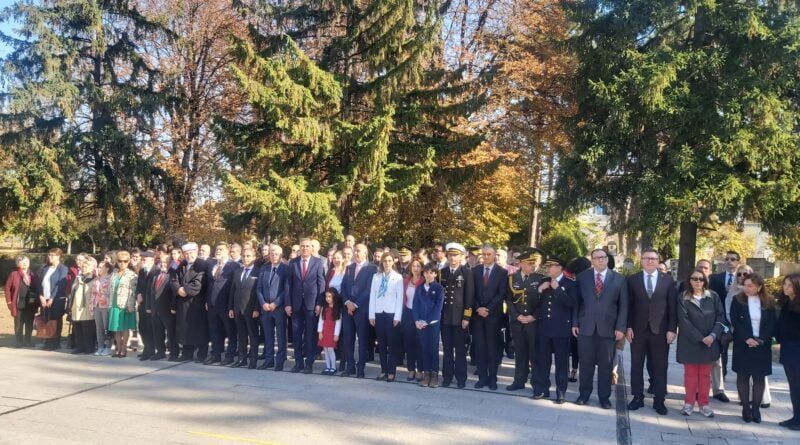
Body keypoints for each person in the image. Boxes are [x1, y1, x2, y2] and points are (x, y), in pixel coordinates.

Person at [573, 248, 628, 409]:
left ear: (607, 259)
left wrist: (621, 328)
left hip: (609, 329)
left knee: (606, 365)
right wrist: (575, 323)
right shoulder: (582, 277)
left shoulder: (619, 279)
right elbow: (577, 302)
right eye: (597, 257)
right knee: (585, 364)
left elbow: (624, 306)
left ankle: (604, 397)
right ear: (592, 260)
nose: (600, 260)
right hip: (586, 327)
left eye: (603, 257)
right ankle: (584, 395)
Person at [626, 248, 677, 415]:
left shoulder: (667, 280)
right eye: (646, 258)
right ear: (641, 260)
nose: (649, 261)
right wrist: (628, 327)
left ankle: (659, 400)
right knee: (636, 365)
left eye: (653, 259)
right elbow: (628, 306)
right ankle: (637, 397)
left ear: (657, 261)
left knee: (660, 366)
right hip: (637, 330)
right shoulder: (632, 280)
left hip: (660, 331)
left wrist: (672, 329)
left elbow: (672, 307)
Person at [677, 268, 724, 418]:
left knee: (705, 375)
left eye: (701, 279)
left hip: (710, 342)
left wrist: (713, 335)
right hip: (690, 342)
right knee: (690, 375)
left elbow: (721, 317)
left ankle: (704, 404)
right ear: (689, 281)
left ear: (705, 281)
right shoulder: (683, 297)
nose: (698, 281)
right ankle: (689, 403)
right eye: (694, 278)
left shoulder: (713, 296)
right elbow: (684, 321)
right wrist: (700, 338)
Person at [730, 273, 776, 423]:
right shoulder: (737, 300)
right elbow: (735, 321)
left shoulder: (768, 302)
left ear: (759, 287)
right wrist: (747, 338)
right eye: (745, 285)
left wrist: (761, 339)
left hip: (761, 344)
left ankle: (756, 409)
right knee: (743, 376)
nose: (746, 288)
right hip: (743, 343)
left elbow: (772, 323)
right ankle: (745, 408)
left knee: (759, 377)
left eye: (750, 286)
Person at [533, 256, 578, 403]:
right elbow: (534, 303)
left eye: (551, 266)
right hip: (544, 327)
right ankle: (542, 389)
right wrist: (540, 290)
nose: (548, 268)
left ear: (560, 268)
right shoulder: (543, 281)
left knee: (561, 362)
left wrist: (557, 289)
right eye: (547, 266)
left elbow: (571, 303)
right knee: (543, 360)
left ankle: (561, 392)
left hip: (561, 328)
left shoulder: (570, 283)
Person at [506, 250, 545, 392]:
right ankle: (519, 381)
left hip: (533, 322)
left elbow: (543, 302)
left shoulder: (540, 279)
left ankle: (537, 384)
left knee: (534, 354)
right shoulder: (512, 278)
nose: (532, 266)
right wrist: (516, 316)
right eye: (529, 263)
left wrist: (533, 316)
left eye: (534, 263)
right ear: (521, 263)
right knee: (520, 353)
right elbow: (508, 300)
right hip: (517, 321)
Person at [472, 244, 508, 390]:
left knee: (493, 349)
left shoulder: (502, 272)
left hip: (493, 316)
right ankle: (482, 377)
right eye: (484, 254)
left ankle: (492, 378)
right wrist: (478, 308)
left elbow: (501, 294)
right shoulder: (475, 271)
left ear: (494, 255)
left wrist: (488, 309)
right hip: (478, 316)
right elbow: (471, 292)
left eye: (489, 254)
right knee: (480, 348)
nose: (486, 257)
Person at [288, 238, 326, 374]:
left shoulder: (318, 262)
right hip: (296, 304)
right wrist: (288, 304)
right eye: (302, 246)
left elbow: (321, 284)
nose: (305, 248)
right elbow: (289, 284)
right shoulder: (293, 262)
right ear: (300, 247)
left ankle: (309, 363)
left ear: (311, 248)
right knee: (296, 335)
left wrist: (319, 303)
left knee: (310, 335)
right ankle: (298, 363)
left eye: (307, 246)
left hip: (312, 304)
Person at [439, 243, 474, 388]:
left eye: (455, 255)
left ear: (461, 257)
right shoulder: (442, 272)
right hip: (445, 316)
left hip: (460, 318)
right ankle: (447, 376)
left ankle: (461, 378)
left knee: (460, 350)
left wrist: (466, 317)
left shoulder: (466, 272)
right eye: (450, 255)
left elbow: (469, 297)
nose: (453, 258)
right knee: (447, 349)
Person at [341, 243, 378, 377]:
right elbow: (343, 286)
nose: (356, 253)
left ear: (365, 253)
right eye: (355, 251)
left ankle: (360, 367)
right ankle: (350, 366)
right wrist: (347, 302)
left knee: (362, 340)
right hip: (348, 309)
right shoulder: (349, 267)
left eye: (358, 251)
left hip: (362, 309)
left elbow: (369, 289)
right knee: (348, 339)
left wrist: (355, 304)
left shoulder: (372, 268)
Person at [171, 242, 210, 363]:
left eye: (191, 253)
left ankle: (202, 354)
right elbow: (174, 279)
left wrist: (185, 290)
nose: (189, 255)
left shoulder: (203, 265)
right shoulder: (182, 264)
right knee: (184, 329)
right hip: (183, 302)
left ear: (196, 252)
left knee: (199, 330)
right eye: (186, 253)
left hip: (197, 303)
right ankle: (187, 353)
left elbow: (198, 283)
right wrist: (178, 289)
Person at [369, 250, 404, 382]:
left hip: (391, 314)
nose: (387, 263)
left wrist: (397, 317)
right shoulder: (376, 277)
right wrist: (371, 314)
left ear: (393, 262)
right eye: (385, 261)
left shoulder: (398, 277)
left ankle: (391, 371)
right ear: (381, 262)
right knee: (381, 344)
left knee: (392, 344)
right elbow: (372, 296)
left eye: (389, 261)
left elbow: (399, 298)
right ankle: (383, 370)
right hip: (379, 313)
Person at [257, 244, 290, 370]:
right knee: (268, 336)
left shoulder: (286, 269)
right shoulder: (264, 269)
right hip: (265, 308)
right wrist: (263, 303)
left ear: (281, 255)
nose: (274, 256)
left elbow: (286, 289)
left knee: (281, 336)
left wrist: (275, 303)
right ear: (269, 255)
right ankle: (269, 360)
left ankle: (280, 361)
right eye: (272, 254)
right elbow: (259, 288)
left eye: (276, 254)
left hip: (279, 308)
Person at [709, 250, 740, 381]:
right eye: (727, 259)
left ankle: (742, 376)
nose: (729, 261)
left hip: (739, 318)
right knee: (722, 347)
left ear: (738, 262)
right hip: (721, 317)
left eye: (732, 259)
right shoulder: (716, 278)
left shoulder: (743, 277)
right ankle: (722, 375)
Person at [413, 263, 445, 388]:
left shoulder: (439, 288)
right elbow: (415, 305)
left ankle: (434, 374)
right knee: (424, 348)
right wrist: (416, 320)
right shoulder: (420, 288)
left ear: (435, 274)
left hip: (432, 323)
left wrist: (427, 321)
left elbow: (438, 307)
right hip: (420, 323)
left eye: (431, 272)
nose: (428, 275)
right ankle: (426, 374)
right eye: (426, 272)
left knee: (433, 348)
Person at [229, 247, 261, 369]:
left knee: (253, 336)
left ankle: (253, 360)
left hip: (251, 309)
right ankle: (241, 359)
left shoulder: (258, 272)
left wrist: (257, 309)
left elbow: (258, 292)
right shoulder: (238, 271)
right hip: (238, 308)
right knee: (241, 335)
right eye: (243, 256)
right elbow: (233, 290)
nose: (245, 258)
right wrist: (231, 307)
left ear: (254, 257)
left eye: (248, 256)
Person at [206, 243, 238, 366]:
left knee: (230, 331)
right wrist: (207, 301)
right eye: (217, 249)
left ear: (228, 251)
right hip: (212, 304)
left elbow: (234, 288)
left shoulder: (234, 265)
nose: (218, 251)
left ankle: (229, 356)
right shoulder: (212, 265)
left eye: (221, 249)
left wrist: (231, 306)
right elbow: (209, 285)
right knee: (214, 331)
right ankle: (216, 355)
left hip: (226, 305)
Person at [776, 273, 800, 430]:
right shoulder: (786, 303)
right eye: (785, 284)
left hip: (797, 348)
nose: (786, 287)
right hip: (787, 348)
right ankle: (796, 417)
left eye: (790, 285)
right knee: (793, 385)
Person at [565, 256, 591, 383]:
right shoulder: (579, 280)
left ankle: (571, 369)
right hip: (573, 317)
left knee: (571, 345)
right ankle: (573, 370)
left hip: (573, 317)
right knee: (573, 346)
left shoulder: (580, 280)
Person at [38, 248, 70, 350]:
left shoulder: (63, 268)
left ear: (59, 256)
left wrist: (52, 298)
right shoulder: (45, 268)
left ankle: (55, 342)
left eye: (52, 255)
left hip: (57, 298)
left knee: (55, 320)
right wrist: (41, 296)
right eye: (49, 254)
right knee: (46, 319)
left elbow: (60, 284)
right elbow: (39, 282)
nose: (50, 257)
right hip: (45, 298)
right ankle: (47, 340)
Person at [147, 250, 176, 361]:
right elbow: (150, 291)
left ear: (170, 263)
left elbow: (174, 293)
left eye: (166, 262)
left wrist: (173, 307)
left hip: (167, 309)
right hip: (155, 309)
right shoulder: (155, 274)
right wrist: (148, 306)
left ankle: (174, 352)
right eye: (162, 262)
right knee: (157, 331)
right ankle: (160, 351)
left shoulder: (173, 274)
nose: (163, 264)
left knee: (171, 332)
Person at [108, 251, 138, 358]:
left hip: (125, 304)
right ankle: (118, 347)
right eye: (120, 261)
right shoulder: (114, 273)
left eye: (125, 261)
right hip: (114, 303)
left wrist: (130, 305)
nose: (122, 263)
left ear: (128, 261)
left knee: (125, 328)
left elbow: (133, 292)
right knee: (116, 328)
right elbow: (110, 289)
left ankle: (124, 348)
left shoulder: (132, 275)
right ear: (117, 261)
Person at [4, 255, 39, 348]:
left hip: (31, 303)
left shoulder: (33, 274)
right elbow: (7, 288)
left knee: (29, 323)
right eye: (22, 262)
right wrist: (9, 302)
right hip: (18, 302)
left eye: (26, 261)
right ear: (17, 263)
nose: (25, 263)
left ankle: (28, 340)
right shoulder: (14, 274)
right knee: (19, 323)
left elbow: (38, 287)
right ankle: (19, 341)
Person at [68, 256, 98, 354]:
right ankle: (79, 347)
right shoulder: (78, 278)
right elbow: (73, 291)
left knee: (88, 328)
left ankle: (89, 347)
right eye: (83, 266)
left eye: (87, 266)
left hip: (87, 307)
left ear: (92, 268)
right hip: (76, 306)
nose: (84, 268)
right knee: (78, 328)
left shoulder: (94, 279)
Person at [402, 259, 424, 381]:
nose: (415, 268)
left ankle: (420, 369)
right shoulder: (406, 281)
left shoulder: (424, 281)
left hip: (420, 315)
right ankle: (411, 369)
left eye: (418, 266)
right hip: (408, 313)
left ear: (422, 268)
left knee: (420, 343)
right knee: (409, 342)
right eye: (413, 266)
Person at [135, 251, 157, 360]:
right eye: (142, 259)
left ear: (152, 260)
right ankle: (147, 348)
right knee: (142, 328)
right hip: (143, 304)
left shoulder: (156, 271)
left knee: (151, 328)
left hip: (152, 305)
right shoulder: (142, 272)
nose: (142, 261)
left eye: (145, 259)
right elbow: (138, 286)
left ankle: (151, 350)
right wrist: (138, 294)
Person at [318, 288, 343, 375]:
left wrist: (336, 334)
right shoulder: (324, 308)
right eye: (326, 296)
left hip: (331, 333)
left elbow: (338, 323)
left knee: (331, 349)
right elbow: (321, 320)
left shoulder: (337, 309)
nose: (327, 298)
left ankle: (333, 367)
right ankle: (327, 367)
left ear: (334, 297)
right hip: (324, 332)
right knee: (325, 349)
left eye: (329, 297)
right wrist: (320, 332)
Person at [91, 261, 113, 356]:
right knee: (99, 327)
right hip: (97, 305)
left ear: (107, 268)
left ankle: (108, 347)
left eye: (101, 267)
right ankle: (100, 346)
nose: (98, 269)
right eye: (98, 267)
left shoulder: (110, 278)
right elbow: (93, 293)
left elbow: (111, 292)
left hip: (106, 305)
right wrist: (92, 306)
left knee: (106, 327)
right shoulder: (97, 279)